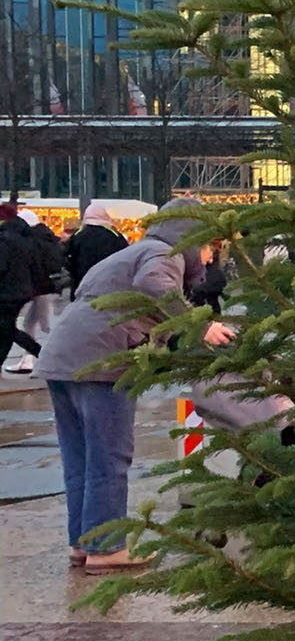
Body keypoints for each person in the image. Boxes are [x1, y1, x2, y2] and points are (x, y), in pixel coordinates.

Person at [37, 201, 230, 572]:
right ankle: (107, 549)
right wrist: (200, 326)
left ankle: (84, 543)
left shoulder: (135, 250)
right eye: (208, 247)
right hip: (102, 361)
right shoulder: (163, 253)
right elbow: (151, 286)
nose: (207, 259)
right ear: (190, 237)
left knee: (81, 457)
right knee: (110, 455)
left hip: (63, 358)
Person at [9, 208, 66, 373]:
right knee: (37, 323)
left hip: (38, 287)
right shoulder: (47, 237)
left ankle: (40, 358)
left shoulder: (33, 239)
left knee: (40, 324)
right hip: (46, 287)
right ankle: (32, 359)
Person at [0, 203, 46, 374]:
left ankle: (42, 353)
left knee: (7, 328)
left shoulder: (4, 239)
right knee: (7, 328)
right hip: (22, 290)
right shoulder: (25, 237)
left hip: (6, 292)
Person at [64, 202, 127, 294]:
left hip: (82, 282)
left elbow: (68, 258)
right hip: (109, 283)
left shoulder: (78, 235)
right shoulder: (114, 235)